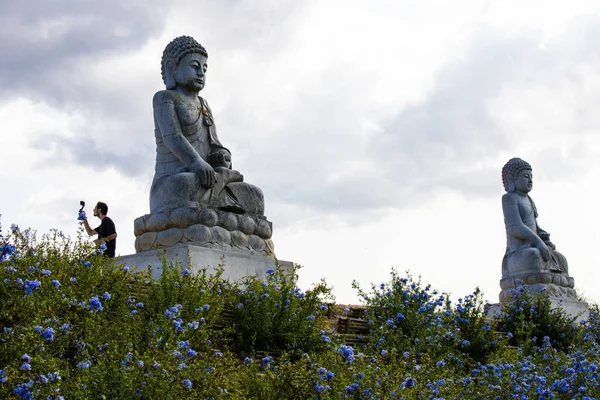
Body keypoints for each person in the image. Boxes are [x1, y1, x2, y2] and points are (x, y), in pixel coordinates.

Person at [149, 35, 264, 216]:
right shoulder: (164, 98)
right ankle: (216, 204)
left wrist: (222, 157)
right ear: (172, 68)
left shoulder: (203, 104)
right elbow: (172, 138)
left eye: (204, 68)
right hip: (174, 181)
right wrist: (196, 162)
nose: (201, 73)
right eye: (195, 67)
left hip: (209, 178)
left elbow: (214, 143)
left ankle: (217, 205)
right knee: (187, 184)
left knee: (255, 196)